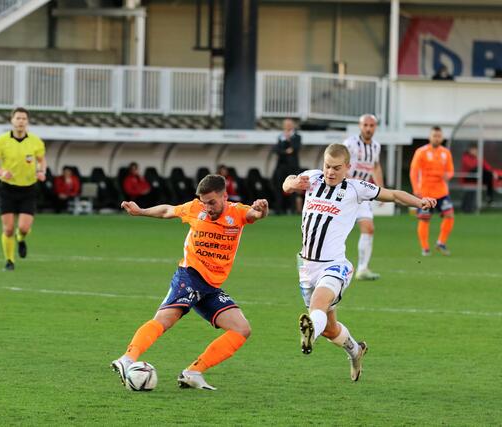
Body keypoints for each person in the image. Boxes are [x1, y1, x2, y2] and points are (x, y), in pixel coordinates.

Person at [282, 143, 435, 381]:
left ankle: (310, 333)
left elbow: (393, 194)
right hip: (306, 266)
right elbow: (287, 181)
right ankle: (355, 350)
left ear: (347, 167)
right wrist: (291, 183)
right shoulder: (312, 178)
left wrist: (419, 201)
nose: (330, 172)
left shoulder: (356, 188)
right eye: (327, 166)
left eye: (336, 167)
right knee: (331, 329)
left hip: (334, 265)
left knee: (318, 304)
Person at [110, 174, 269, 390]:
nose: (207, 208)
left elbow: (254, 214)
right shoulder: (196, 209)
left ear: (225, 196)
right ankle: (127, 359)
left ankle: (192, 372)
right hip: (190, 276)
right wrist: (141, 211)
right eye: (204, 202)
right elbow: (168, 210)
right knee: (166, 319)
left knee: (241, 329)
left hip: (211, 287)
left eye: (212, 202)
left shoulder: (237, 213)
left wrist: (260, 210)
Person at [0, 107, 46, 271]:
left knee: (24, 228)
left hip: (29, 189)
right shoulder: (1, 140)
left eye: (23, 119)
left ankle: (21, 238)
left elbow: (41, 160)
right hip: (8, 189)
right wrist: (1, 172)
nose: (20, 121)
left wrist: (41, 171)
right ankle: (9, 261)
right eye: (18, 118)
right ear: (12, 121)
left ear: (27, 122)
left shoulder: (36, 142)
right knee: (8, 228)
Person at [343, 114, 384, 281]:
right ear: (360, 126)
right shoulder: (350, 143)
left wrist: (381, 191)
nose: (368, 128)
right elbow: (339, 162)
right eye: (365, 125)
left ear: (375, 127)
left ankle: (362, 269)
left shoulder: (376, 146)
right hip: (345, 191)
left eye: (371, 125)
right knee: (336, 230)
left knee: (369, 228)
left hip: (363, 193)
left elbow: (376, 167)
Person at [410, 126, 455, 256]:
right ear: (430, 137)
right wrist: (416, 189)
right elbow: (414, 171)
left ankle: (441, 242)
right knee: (424, 219)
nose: (436, 138)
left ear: (442, 138)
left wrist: (449, 175)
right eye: (434, 135)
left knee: (449, 215)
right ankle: (425, 248)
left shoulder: (446, 153)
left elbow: (450, 170)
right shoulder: (421, 152)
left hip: (442, 192)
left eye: (439, 136)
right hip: (425, 193)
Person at [273, 118, 302, 214]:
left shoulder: (297, 137)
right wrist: (286, 151)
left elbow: (295, 149)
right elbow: (276, 150)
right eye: (286, 124)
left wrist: (289, 140)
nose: (288, 126)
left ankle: (293, 209)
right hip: (281, 166)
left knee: (293, 187)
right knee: (279, 187)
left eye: (290, 124)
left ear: (293, 125)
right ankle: (279, 209)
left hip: (292, 167)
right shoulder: (280, 137)